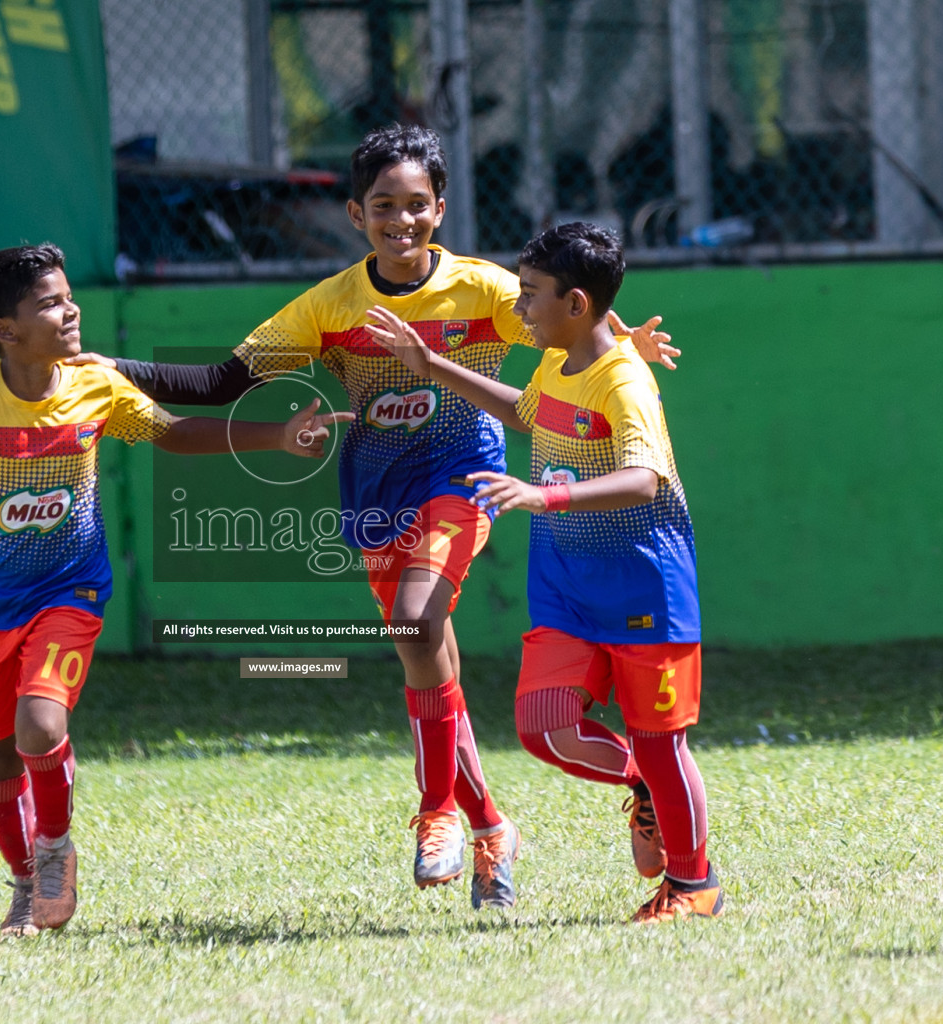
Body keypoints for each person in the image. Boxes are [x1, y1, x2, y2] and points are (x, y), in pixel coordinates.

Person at [69, 124, 678, 909]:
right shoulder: (329, 307)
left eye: (417, 205)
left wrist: (621, 338)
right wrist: (114, 367)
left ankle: (435, 814)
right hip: (374, 495)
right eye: (383, 206)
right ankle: (491, 826)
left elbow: (567, 324)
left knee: (415, 626)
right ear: (355, 215)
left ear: (440, 209)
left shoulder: (485, 291)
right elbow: (222, 381)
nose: (402, 221)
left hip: (462, 477)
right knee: (429, 660)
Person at [0, 244, 349, 935]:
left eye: (68, 294)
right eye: (49, 302)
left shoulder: (95, 385)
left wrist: (276, 436)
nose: (71, 308)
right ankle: (24, 884)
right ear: (5, 330)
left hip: (69, 592)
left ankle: (53, 851)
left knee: (39, 726)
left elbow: (173, 433)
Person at [365, 222, 721, 924]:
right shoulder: (553, 363)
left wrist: (540, 495)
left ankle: (692, 886)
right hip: (566, 590)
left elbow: (644, 479)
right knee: (543, 724)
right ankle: (646, 787)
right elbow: (525, 413)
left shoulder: (623, 379)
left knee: (661, 742)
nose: (520, 308)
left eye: (530, 295)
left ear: (577, 304)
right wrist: (430, 365)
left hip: (645, 590)